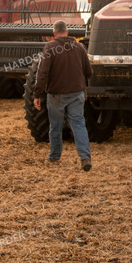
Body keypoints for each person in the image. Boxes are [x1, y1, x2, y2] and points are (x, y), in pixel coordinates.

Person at [33, 20, 93, 171]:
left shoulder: (50, 47)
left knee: (55, 126)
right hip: (77, 93)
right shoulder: (79, 47)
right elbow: (89, 72)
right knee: (79, 124)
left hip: (56, 95)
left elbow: (42, 73)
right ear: (67, 32)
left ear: (54, 34)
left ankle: (54, 157)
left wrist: (37, 94)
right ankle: (85, 157)